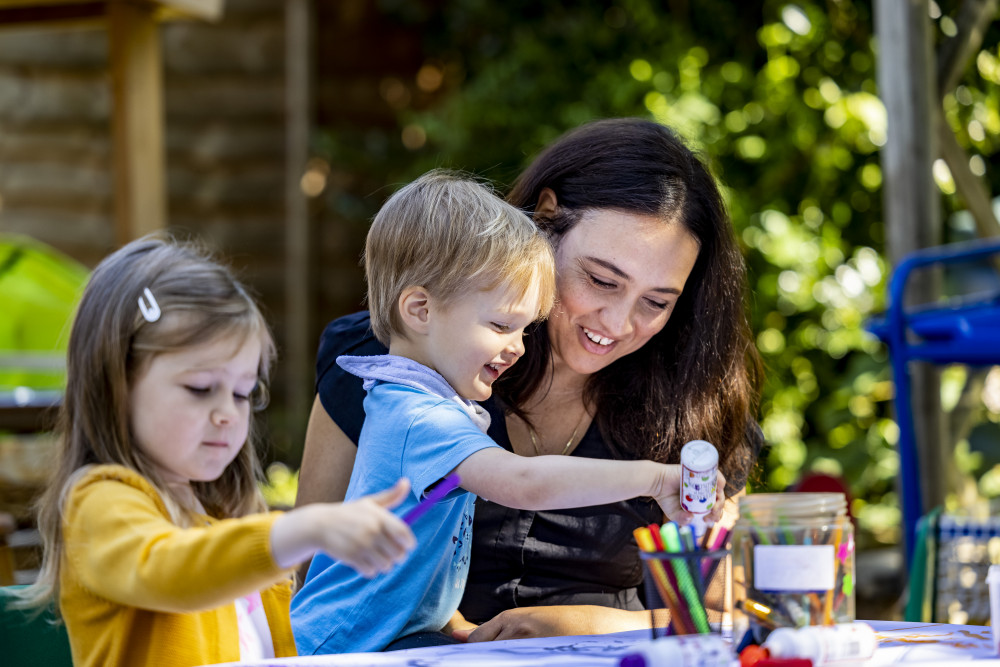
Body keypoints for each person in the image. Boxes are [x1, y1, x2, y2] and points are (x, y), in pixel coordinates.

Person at [295, 118, 763, 641]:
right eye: (601, 280)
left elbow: (725, 612)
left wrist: (590, 625)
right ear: (543, 221)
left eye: (656, 303)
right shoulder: (397, 364)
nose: (617, 323)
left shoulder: (695, 398)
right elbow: (310, 564)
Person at [12, 237, 417, 667]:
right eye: (201, 389)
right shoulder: (98, 501)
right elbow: (168, 570)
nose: (228, 413)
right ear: (117, 384)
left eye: (244, 393)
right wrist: (299, 530)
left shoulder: (228, 514)